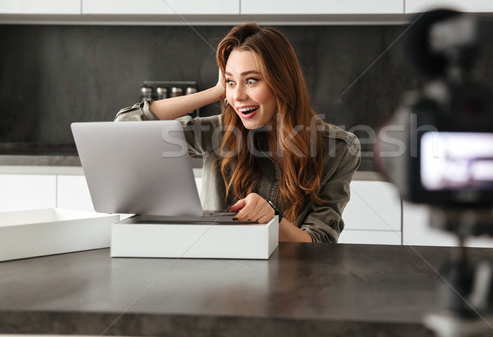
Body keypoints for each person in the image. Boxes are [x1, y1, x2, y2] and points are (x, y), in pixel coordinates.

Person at [115, 23, 361, 243]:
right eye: (231, 82)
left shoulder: (339, 149)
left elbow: (320, 243)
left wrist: (273, 218)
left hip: (293, 281)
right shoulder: (218, 131)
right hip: (217, 280)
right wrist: (215, 91)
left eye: (251, 80)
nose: (238, 96)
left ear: (282, 83)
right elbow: (125, 127)